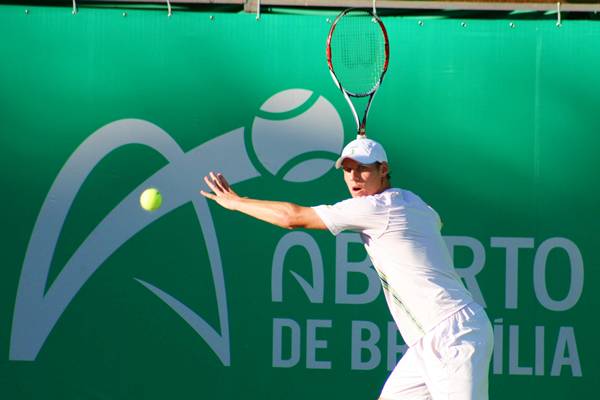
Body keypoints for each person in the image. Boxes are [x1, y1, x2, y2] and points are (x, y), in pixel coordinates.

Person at [201, 137, 493, 400]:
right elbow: (434, 220)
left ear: (383, 169)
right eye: (347, 169)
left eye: (364, 168)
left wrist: (237, 202)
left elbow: (293, 218)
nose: (354, 177)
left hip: (451, 334)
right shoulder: (412, 202)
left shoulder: (375, 208)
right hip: (434, 336)